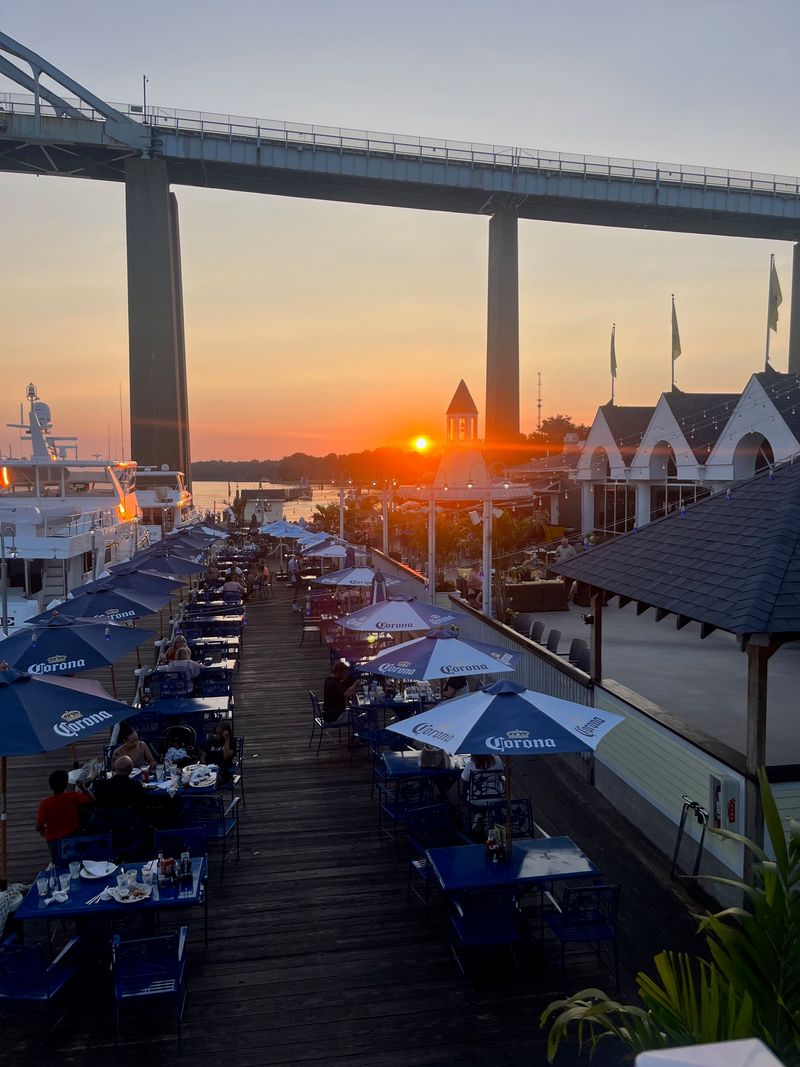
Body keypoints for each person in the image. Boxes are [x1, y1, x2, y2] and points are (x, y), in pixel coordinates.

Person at [36, 769, 94, 859]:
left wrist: (46, 835)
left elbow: (39, 826)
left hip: (54, 840)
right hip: (74, 836)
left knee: (58, 863)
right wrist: (83, 787)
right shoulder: (74, 796)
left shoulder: (45, 804)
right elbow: (93, 801)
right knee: (77, 861)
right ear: (66, 783)